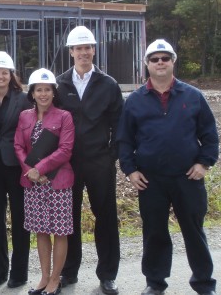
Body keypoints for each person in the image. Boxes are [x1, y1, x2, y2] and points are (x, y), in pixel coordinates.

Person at [117, 39, 218, 295]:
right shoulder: (135, 101)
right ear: (147, 64)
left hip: (188, 178)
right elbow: (124, 140)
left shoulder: (193, 96)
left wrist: (204, 163)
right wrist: (130, 170)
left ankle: (204, 283)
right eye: (154, 59)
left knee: (194, 231)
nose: (160, 62)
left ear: (173, 61)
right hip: (151, 180)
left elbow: (209, 135)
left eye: (165, 58)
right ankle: (155, 282)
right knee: (154, 232)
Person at [56, 25, 123, 295]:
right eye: (78, 48)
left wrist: (111, 156)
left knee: (105, 217)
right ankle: (69, 272)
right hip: (67, 163)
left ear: (93, 50)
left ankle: (107, 275)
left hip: (99, 162)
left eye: (88, 47)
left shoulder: (108, 84)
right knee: (67, 219)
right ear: (70, 52)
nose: (84, 52)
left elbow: (120, 124)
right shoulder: (59, 84)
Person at [14, 68, 74, 295]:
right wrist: (30, 170)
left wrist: (40, 168)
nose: (43, 94)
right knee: (40, 230)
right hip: (33, 183)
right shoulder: (24, 117)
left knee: (59, 231)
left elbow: (66, 149)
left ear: (53, 92)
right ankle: (44, 276)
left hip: (58, 181)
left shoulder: (64, 117)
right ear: (32, 93)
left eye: (47, 90)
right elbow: (18, 146)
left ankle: (55, 279)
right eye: (39, 90)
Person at [0, 51, 32, 288]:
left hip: (18, 165)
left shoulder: (23, 99)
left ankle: (19, 273)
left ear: (11, 75)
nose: (0, 76)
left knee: (20, 218)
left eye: (4, 72)